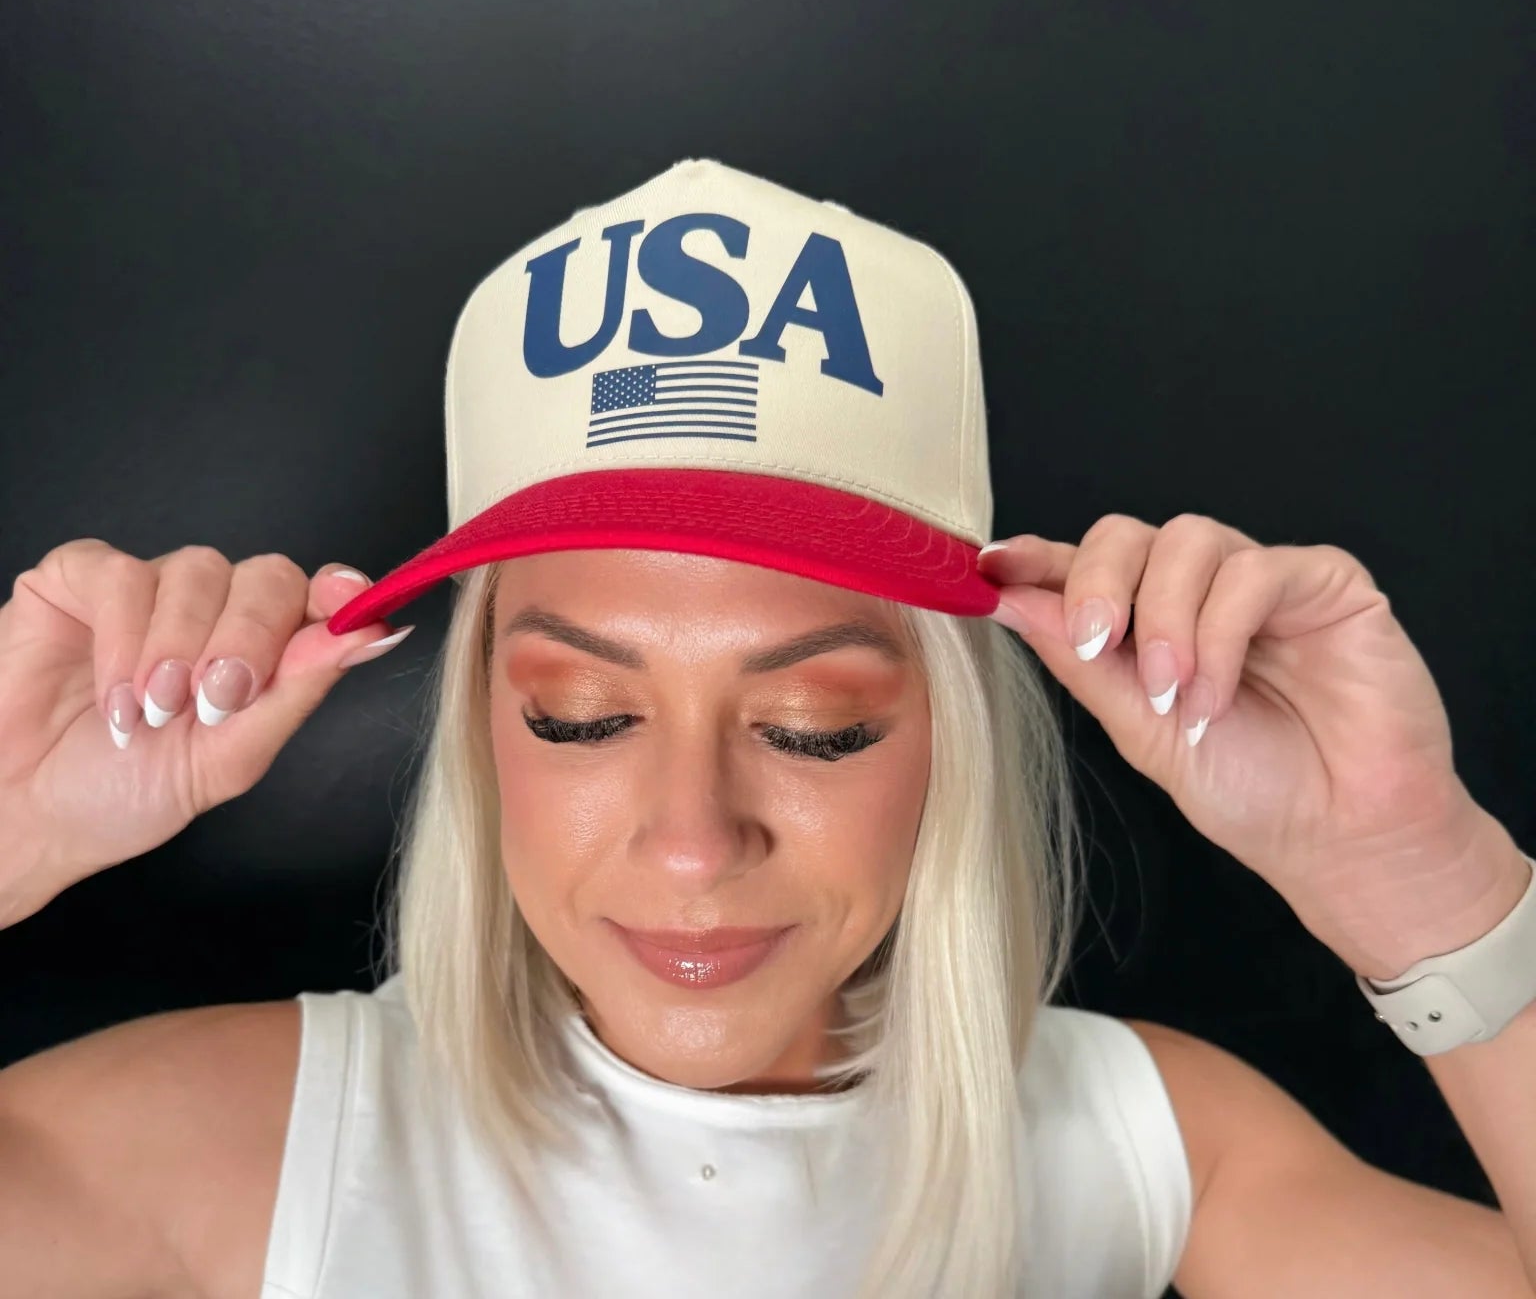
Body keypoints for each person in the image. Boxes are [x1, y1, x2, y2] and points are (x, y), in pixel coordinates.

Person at [0, 158, 1532, 1299]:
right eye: (582, 714)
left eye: (815, 725)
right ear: (480, 730)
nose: (691, 842)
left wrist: (1418, 877)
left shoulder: (1148, 1143)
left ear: (948, 738)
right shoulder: (250, 1141)